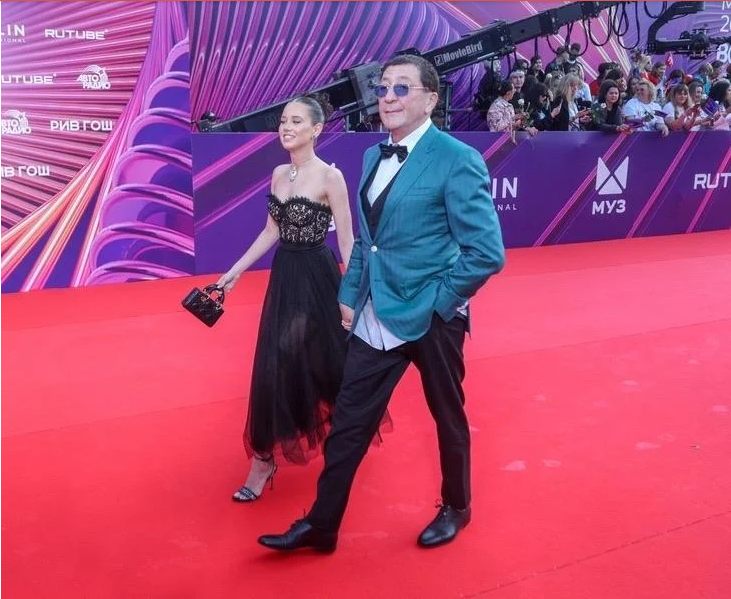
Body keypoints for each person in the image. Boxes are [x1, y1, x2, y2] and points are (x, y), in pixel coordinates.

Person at [258, 53, 505, 552]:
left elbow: (486, 252)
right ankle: (322, 525)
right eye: (384, 88)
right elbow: (366, 245)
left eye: (401, 88)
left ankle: (456, 505)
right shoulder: (373, 156)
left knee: (447, 415)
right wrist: (349, 296)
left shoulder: (458, 159)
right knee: (349, 421)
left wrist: (440, 303)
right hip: (376, 313)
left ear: (430, 100)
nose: (388, 97)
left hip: (433, 317)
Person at [217, 95, 370, 502]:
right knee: (275, 365)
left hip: (318, 278)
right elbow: (271, 231)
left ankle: (341, 439)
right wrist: (235, 271)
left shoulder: (331, 177)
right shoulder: (278, 173)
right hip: (285, 277)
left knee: (319, 363)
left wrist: (352, 294)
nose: (286, 127)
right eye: (284, 120)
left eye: (296, 121)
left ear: (316, 129)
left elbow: (347, 240)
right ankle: (263, 459)